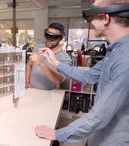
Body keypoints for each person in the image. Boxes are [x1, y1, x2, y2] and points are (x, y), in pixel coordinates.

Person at [35, 1, 129, 146]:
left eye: (91, 17)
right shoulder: (115, 52)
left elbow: (99, 116)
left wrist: (58, 134)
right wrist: (55, 62)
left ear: (105, 18)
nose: (90, 23)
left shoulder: (125, 57)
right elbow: (89, 76)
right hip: (97, 136)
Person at [25, 23, 72, 90]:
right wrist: (27, 82)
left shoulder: (65, 58)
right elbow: (29, 65)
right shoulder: (38, 47)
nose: (48, 40)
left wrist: (41, 64)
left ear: (60, 38)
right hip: (31, 90)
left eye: (53, 37)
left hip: (49, 94)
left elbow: (59, 80)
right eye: (47, 35)